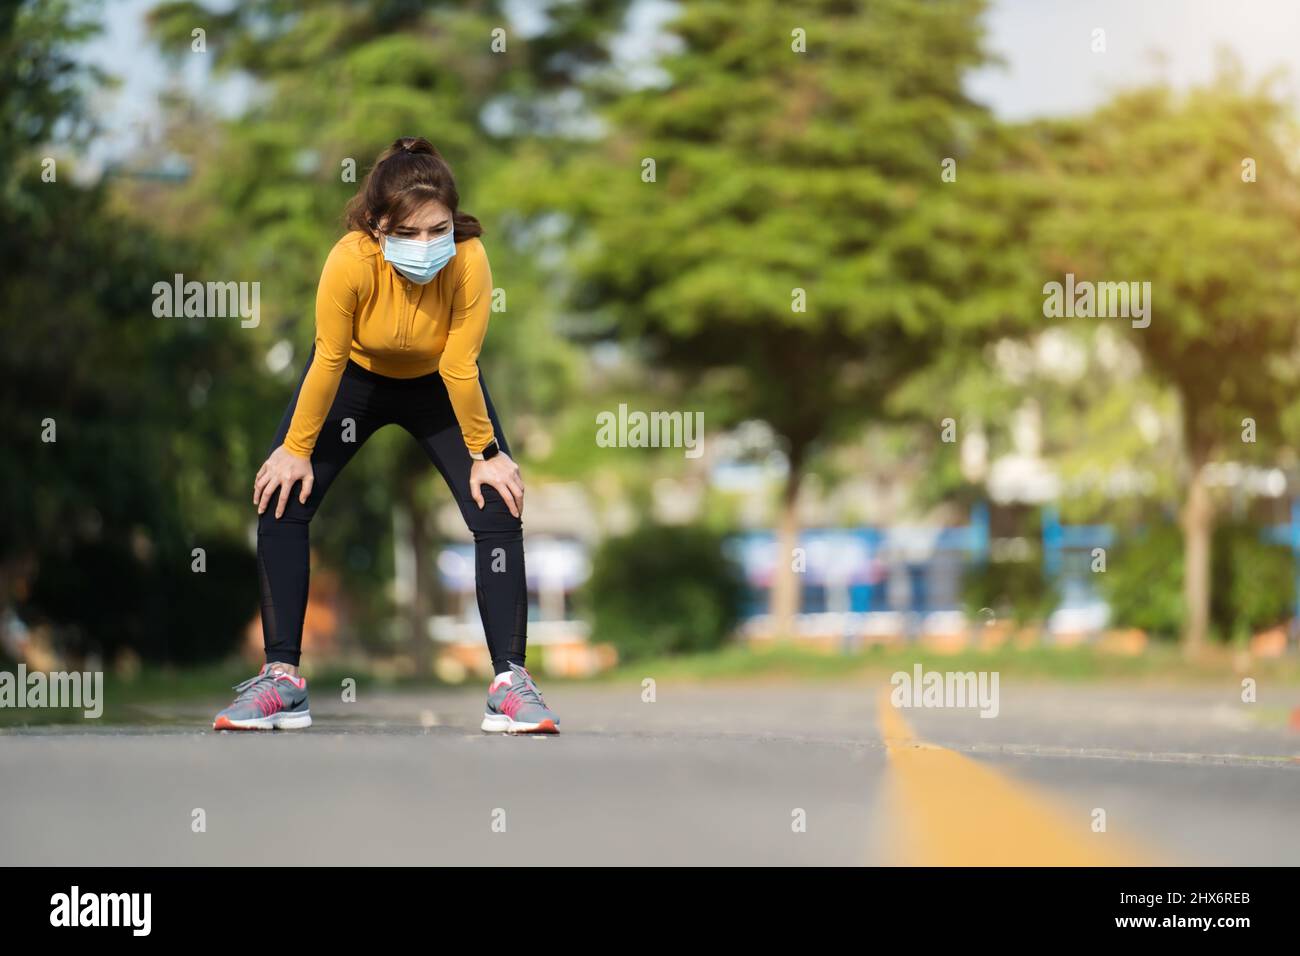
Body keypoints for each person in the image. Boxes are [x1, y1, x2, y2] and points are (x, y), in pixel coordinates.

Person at [212, 136, 559, 734]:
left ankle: (510, 684)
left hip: (438, 387)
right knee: (282, 495)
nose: (428, 245)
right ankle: (282, 680)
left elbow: (460, 366)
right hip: (354, 379)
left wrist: (488, 454)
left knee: (498, 500)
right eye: (410, 233)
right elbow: (327, 357)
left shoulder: (470, 260)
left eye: (438, 230)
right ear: (377, 226)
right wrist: (295, 451)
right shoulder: (349, 258)